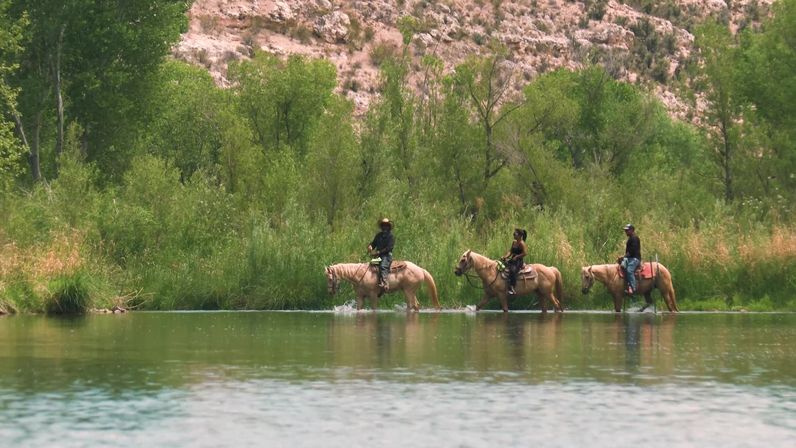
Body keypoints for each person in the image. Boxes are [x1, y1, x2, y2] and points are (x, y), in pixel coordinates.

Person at [368, 218, 395, 290]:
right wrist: (370, 246)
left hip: (387, 256)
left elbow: (389, 248)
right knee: (371, 263)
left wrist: (379, 252)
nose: (385, 227)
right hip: (379, 257)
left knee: (383, 266)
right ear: (381, 227)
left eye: (386, 226)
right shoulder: (378, 235)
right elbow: (374, 244)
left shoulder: (391, 236)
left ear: (389, 227)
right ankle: (373, 282)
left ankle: (385, 283)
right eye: (383, 225)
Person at [501, 228, 528, 295]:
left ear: (519, 235)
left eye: (515, 234)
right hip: (513, 259)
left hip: (518, 261)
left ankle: (512, 287)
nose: (513, 235)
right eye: (513, 234)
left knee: (512, 270)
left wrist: (517, 257)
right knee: (502, 266)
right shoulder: (514, 242)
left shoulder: (522, 243)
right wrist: (505, 256)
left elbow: (525, 253)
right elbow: (510, 251)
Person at [621, 223, 641, 295]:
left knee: (629, 270)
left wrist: (625, 256)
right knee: (621, 267)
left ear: (632, 230)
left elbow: (632, 250)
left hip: (635, 259)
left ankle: (633, 288)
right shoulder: (631, 238)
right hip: (630, 258)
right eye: (625, 231)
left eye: (627, 230)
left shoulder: (634, 238)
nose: (626, 232)